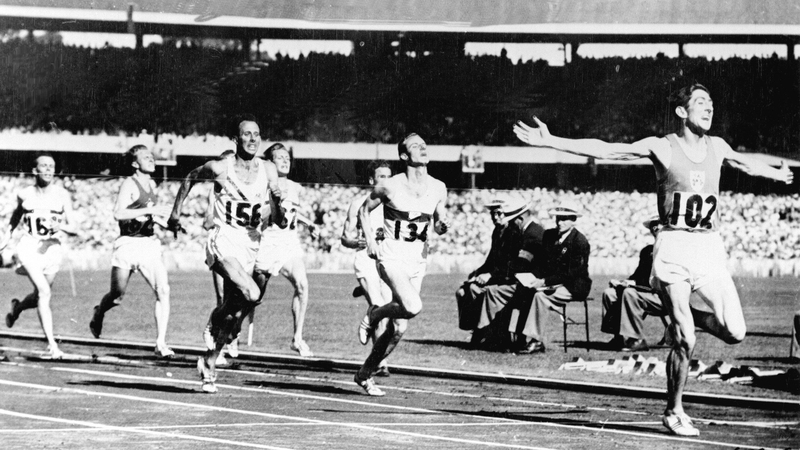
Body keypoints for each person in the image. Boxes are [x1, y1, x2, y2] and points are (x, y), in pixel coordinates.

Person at [513, 83, 793, 436]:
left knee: (735, 332)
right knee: (685, 339)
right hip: (674, 247)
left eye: (711, 102)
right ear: (681, 112)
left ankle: (683, 319)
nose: (709, 108)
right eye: (701, 102)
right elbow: (610, 151)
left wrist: (776, 173)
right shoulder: (661, 146)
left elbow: (746, 164)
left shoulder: (717, 146)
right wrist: (552, 140)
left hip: (708, 248)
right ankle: (674, 409)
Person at [167, 114, 284, 393]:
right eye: (247, 134)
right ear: (236, 139)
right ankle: (214, 325)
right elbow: (191, 177)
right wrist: (175, 213)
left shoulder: (269, 170)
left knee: (233, 314)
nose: (253, 139)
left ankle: (209, 361)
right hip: (223, 239)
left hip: (250, 243)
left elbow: (277, 219)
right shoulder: (221, 167)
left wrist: (277, 202)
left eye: (257, 134)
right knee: (252, 293)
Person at [354, 133, 451, 396]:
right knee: (412, 306)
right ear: (404, 156)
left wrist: (442, 225)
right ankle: (375, 314)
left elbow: (440, 220)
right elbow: (364, 210)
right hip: (391, 256)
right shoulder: (391, 185)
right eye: (415, 146)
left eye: (424, 144)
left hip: (417, 260)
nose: (423, 148)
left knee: (400, 328)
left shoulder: (439, 186)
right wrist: (369, 242)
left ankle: (365, 373)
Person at [89, 145, 175, 358]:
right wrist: (149, 210)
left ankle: (161, 343)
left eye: (152, 156)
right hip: (128, 244)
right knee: (117, 296)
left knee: (163, 290)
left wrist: (169, 225)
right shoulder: (129, 183)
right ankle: (99, 311)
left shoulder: (152, 184)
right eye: (146, 157)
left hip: (148, 244)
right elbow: (118, 213)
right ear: (135, 164)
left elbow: (149, 217)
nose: (151, 159)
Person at [3, 153, 78, 359]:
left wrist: (60, 226)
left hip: (52, 249)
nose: (47, 169)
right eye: (43, 166)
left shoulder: (62, 195)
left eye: (51, 166)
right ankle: (52, 345)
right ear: (34, 171)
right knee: (44, 292)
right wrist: (6, 238)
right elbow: (16, 217)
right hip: (29, 247)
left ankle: (17, 308)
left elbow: (75, 227)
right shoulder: (24, 194)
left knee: (38, 296)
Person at [254, 143, 320, 358]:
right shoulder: (261, 185)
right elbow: (260, 215)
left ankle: (297, 338)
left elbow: (291, 213)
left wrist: (308, 222)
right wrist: (272, 208)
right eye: (279, 158)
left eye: (287, 158)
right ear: (270, 163)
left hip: (289, 245)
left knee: (302, 285)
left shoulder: (295, 187)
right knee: (253, 296)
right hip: (266, 244)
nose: (285, 161)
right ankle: (233, 333)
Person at [509, 200, 592, 354]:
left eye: (564, 219)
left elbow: (571, 273)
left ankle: (536, 340)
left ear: (573, 220)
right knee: (524, 289)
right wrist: (532, 278)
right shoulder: (549, 235)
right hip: (552, 282)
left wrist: (544, 282)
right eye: (558, 218)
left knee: (540, 297)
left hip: (573, 285)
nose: (559, 222)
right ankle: (516, 336)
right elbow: (543, 263)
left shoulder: (580, 242)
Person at [470, 197, 546, 351]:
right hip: (520, 279)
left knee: (492, 291)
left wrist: (493, 276)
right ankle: (488, 333)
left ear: (520, 218)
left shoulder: (532, 234)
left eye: (513, 220)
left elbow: (520, 265)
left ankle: (492, 335)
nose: (511, 224)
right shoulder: (526, 231)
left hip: (529, 283)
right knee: (473, 289)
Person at [341, 160, 393, 376]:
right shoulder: (358, 203)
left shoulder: (395, 203)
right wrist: (355, 242)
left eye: (389, 177)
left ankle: (376, 357)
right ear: (372, 180)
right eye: (381, 177)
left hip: (387, 260)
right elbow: (345, 237)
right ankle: (378, 361)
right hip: (365, 258)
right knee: (378, 305)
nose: (386, 181)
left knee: (387, 311)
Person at [600, 216, 668, 352]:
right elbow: (638, 276)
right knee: (610, 293)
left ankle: (636, 339)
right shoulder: (647, 251)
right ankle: (619, 338)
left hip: (663, 296)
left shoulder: (671, 250)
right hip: (645, 291)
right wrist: (622, 282)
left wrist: (631, 284)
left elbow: (660, 279)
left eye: (659, 224)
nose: (655, 227)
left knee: (629, 293)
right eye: (653, 225)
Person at [454, 197, 506, 336]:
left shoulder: (511, 232)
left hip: (503, 277)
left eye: (499, 213)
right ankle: (475, 328)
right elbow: (491, 260)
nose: (495, 217)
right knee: (461, 292)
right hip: (494, 275)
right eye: (492, 214)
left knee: (473, 289)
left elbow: (508, 264)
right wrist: (478, 272)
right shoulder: (497, 232)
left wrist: (489, 275)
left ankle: (482, 330)